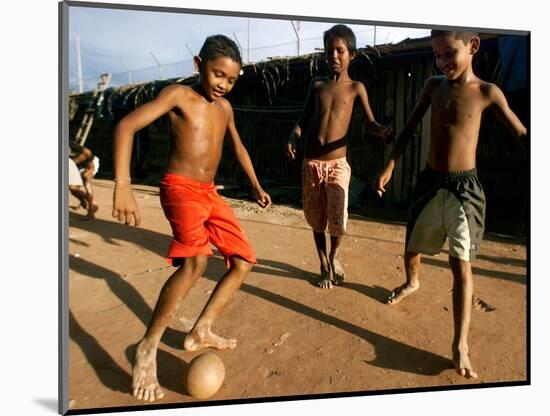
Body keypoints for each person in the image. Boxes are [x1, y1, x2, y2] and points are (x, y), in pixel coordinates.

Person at [112, 35, 272, 402]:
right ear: (199, 64)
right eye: (218, 75)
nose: (223, 85)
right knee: (196, 262)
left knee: (244, 260)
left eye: (231, 80)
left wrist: (256, 185)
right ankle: (148, 345)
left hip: (209, 193)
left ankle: (201, 329)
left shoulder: (226, 108)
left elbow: (238, 147)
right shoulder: (178, 96)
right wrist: (123, 184)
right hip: (179, 188)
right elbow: (125, 127)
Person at [374, 30, 528, 379]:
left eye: (449, 53)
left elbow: (521, 134)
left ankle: (460, 343)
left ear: (472, 47)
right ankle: (412, 282)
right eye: (437, 55)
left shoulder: (487, 92)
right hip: (430, 181)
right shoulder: (433, 86)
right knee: (411, 246)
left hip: (465, 189)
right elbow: (410, 127)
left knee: (461, 263)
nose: (442, 62)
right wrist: (390, 164)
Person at [286, 24, 391, 289]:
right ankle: (323, 263)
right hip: (311, 162)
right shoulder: (317, 84)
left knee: (338, 215)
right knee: (316, 217)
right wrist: (293, 136)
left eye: (339, 50)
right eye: (329, 50)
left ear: (351, 55)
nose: (333, 56)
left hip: (337, 164)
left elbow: (370, 123)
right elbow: (304, 117)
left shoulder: (356, 88)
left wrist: (382, 131)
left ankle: (334, 255)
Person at [69, 140, 99, 218]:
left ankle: (91, 211)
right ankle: (85, 200)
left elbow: (88, 153)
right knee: (73, 189)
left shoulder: (71, 145)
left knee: (86, 181)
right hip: (77, 167)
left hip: (90, 163)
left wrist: (91, 170)